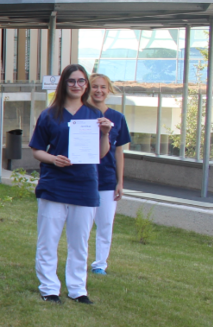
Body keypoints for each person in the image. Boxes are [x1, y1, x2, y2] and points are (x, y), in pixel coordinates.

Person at [29, 64, 113, 305]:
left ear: (86, 85)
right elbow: (36, 150)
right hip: (54, 184)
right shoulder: (49, 115)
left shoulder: (95, 115)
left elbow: (101, 153)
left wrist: (106, 133)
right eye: (72, 81)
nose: (77, 85)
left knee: (79, 242)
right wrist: (54, 159)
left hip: (85, 185)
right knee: (48, 241)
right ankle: (49, 287)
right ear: (64, 83)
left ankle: (77, 289)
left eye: (81, 81)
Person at [88, 73, 130, 276]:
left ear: (109, 90)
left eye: (103, 87)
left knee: (105, 224)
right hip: (83, 178)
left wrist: (119, 182)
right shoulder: (81, 114)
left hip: (106, 180)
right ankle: (78, 261)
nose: (99, 91)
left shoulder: (118, 118)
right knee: (82, 226)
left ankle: (99, 265)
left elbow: (119, 152)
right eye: (94, 86)